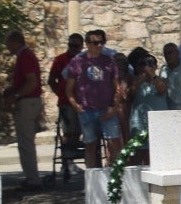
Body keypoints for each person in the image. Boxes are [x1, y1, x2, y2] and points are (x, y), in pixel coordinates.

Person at [63, 30, 124, 169]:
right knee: (90, 145)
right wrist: (76, 106)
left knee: (113, 143)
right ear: (87, 44)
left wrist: (114, 108)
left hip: (106, 109)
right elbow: (69, 89)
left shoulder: (109, 61)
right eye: (96, 42)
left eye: (102, 42)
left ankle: (114, 178)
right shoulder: (78, 62)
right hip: (87, 110)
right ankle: (92, 179)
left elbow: (117, 87)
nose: (100, 45)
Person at [2, 31, 44, 188]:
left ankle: (33, 179)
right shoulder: (24, 56)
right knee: (24, 141)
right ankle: (30, 177)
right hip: (27, 100)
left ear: (15, 42)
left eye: (8, 44)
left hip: (27, 102)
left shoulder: (25, 56)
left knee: (26, 142)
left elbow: (31, 82)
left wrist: (16, 95)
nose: (7, 47)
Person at [125, 47, 168, 160]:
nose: (147, 66)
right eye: (143, 64)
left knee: (157, 156)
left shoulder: (160, 80)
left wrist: (152, 75)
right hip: (139, 124)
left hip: (158, 123)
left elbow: (162, 90)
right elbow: (131, 95)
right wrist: (140, 79)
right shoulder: (136, 81)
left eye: (151, 63)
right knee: (137, 154)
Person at [48, 33, 85, 150]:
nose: (73, 48)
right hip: (66, 102)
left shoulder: (84, 60)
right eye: (70, 45)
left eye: (76, 45)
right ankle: (67, 164)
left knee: (78, 132)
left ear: (81, 46)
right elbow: (51, 80)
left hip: (82, 102)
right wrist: (60, 93)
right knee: (68, 133)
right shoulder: (60, 60)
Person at [160, 41, 181, 109]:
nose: (167, 56)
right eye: (165, 54)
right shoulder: (163, 69)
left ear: (177, 53)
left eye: (170, 53)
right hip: (169, 109)